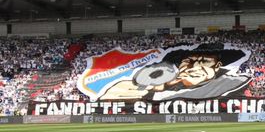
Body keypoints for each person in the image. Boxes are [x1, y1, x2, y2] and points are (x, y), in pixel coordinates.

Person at [99, 44, 250, 101]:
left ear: (217, 66)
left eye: (204, 61)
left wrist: (151, 93)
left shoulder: (232, 81)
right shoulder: (162, 84)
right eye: (189, 61)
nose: (195, 66)